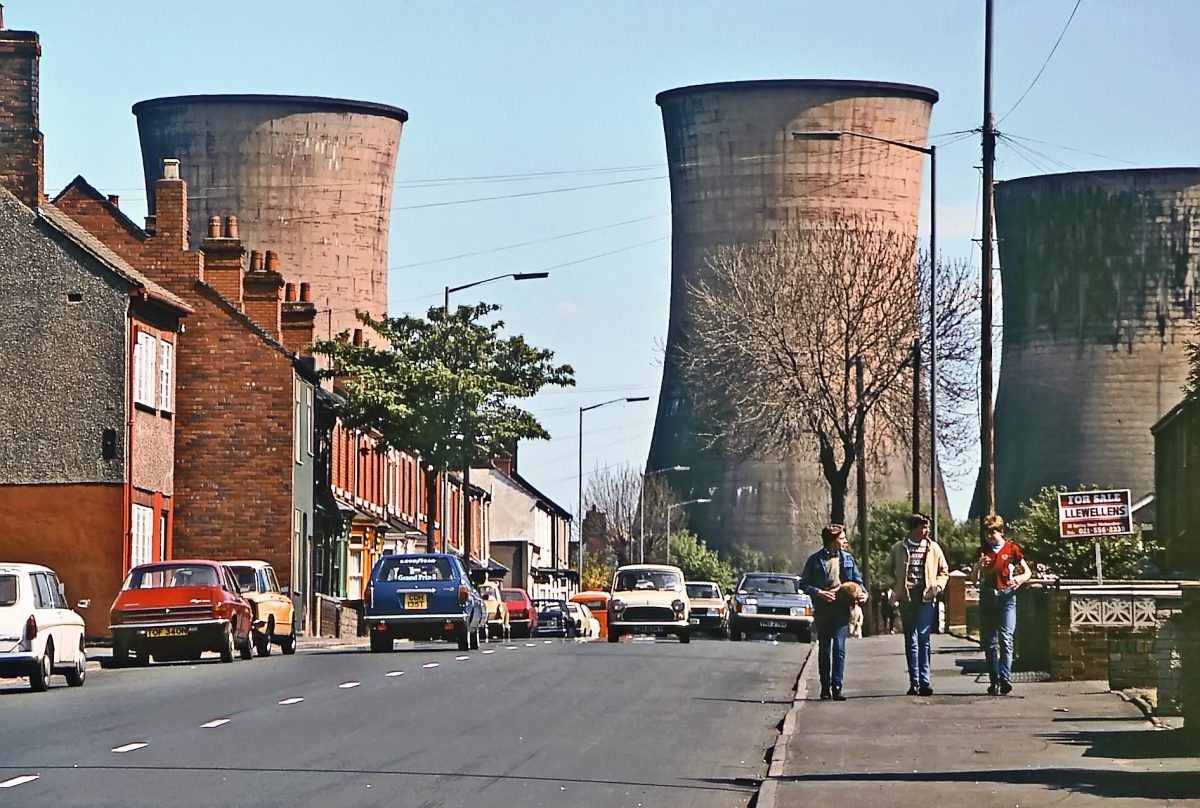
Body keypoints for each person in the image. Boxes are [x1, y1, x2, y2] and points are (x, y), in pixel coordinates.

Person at [800, 524, 868, 701]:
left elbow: (858, 581)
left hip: (841, 609)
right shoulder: (815, 560)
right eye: (842, 538)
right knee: (825, 649)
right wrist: (819, 593)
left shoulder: (847, 559)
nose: (845, 541)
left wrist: (863, 594)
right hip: (823, 610)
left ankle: (837, 687)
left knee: (839, 648)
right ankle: (824, 688)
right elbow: (803, 584)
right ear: (832, 541)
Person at [885, 513, 949, 697]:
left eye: (928, 527)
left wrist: (938, 585)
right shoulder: (899, 547)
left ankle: (925, 680)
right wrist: (895, 586)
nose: (927, 530)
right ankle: (914, 682)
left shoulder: (933, 548)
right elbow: (886, 569)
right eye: (923, 527)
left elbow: (944, 570)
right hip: (907, 596)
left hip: (926, 596)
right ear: (913, 528)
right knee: (910, 640)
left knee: (924, 639)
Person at [971, 514, 1033, 696]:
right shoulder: (982, 552)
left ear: (1001, 532)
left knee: (1006, 638)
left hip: (1007, 596)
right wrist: (978, 567)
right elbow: (974, 580)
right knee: (990, 643)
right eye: (987, 533)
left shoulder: (1012, 549)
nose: (989, 536)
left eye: (993, 533)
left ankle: (1005, 678)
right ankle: (994, 681)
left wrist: (1020, 579)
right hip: (988, 596)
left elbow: (1027, 571)